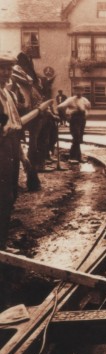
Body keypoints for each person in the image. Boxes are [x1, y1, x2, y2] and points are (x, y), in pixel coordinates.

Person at [0, 54, 28, 250]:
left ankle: (2, 244)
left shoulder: (7, 94)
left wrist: (21, 154)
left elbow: (15, 124)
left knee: (10, 195)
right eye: (2, 69)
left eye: (8, 69)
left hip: (10, 145)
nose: (6, 73)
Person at [57, 86, 91, 162]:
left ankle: (78, 157)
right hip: (74, 120)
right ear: (74, 91)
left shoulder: (84, 100)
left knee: (79, 139)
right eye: (76, 91)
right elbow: (59, 107)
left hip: (82, 120)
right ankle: (72, 157)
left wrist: (86, 114)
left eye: (80, 90)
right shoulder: (71, 99)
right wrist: (66, 117)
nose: (79, 92)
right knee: (76, 138)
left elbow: (88, 107)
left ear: (83, 91)